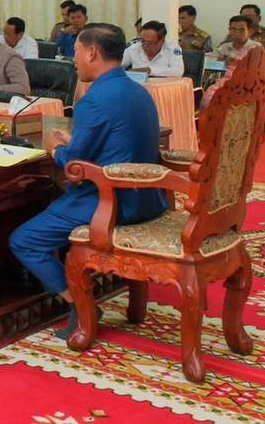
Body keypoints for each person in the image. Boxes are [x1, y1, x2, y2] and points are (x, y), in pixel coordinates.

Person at [10, 24, 167, 338]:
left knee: (24, 240)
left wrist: (56, 149)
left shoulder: (94, 99)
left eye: (77, 52)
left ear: (92, 52)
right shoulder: (138, 91)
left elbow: (75, 167)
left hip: (109, 204)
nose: (74, 60)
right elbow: (119, 142)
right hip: (148, 198)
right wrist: (75, 141)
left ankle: (83, 306)